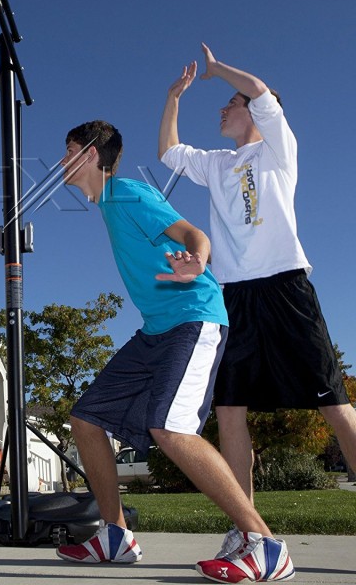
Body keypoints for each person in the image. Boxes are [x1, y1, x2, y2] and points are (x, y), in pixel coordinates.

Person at [55, 120, 294, 583]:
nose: (61, 160)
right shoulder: (108, 205)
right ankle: (115, 536)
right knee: (85, 419)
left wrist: (197, 263)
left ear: (89, 154)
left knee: (170, 427)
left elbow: (192, 234)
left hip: (193, 318)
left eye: (67, 150)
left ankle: (265, 546)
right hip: (156, 332)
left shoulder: (126, 193)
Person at [159, 43, 356, 503]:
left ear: (255, 114)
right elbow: (169, 151)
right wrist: (174, 97)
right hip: (234, 296)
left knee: (334, 403)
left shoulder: (277, 150)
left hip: (286, 286)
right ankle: (248, 530)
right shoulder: (217, 163)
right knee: (228, 409)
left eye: (230, 103)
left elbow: (259, 89)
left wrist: (216, 70)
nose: (223, 109)